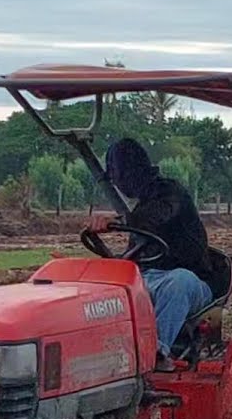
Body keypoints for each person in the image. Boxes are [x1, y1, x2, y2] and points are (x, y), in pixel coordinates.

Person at [85, 138, 212, 371]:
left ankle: (155, 353)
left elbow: (156, 216)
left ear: (134, 170)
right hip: (148, 278)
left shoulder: (172, 194)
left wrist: (118, 222)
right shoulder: (141, 206)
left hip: (191, 282)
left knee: (178, 281)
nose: (117, 183)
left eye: (118, 176)